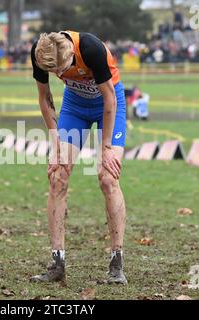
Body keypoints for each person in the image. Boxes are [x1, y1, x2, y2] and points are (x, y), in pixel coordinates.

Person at [30, 31, 128, 284]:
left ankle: (116, 264)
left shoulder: (90, 48)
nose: (58, 76)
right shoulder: (41, 53)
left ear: (72, 54)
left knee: (108, 177)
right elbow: (45, 98)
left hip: (108, 104)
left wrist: (105, 147)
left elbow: (109, 100)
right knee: (57, 177)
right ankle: (57, 263)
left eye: (62, 69)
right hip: (74, 107)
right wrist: (56, 145)